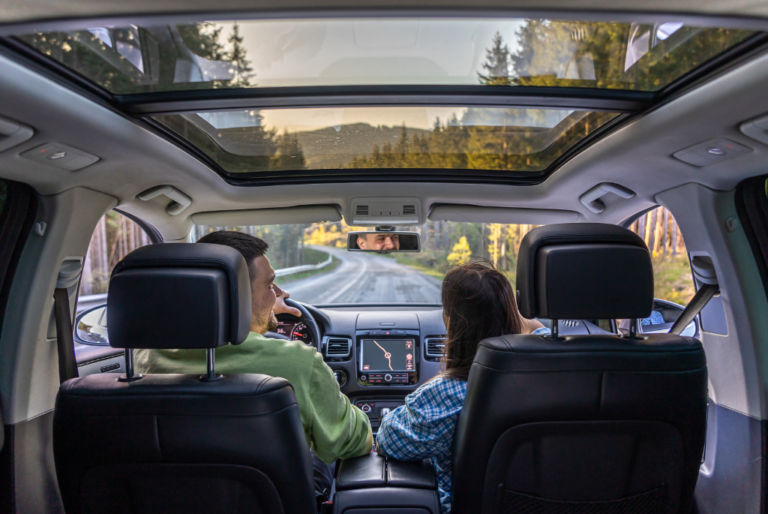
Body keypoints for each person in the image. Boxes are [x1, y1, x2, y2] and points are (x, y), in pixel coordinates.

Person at [134, 231, 373, 501]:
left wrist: (262, 309)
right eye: (270, 285)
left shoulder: (143, 359)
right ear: (237, 297)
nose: (281, 293)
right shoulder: (297, 362)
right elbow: (352, 443)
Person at [376, 261, 551, 514]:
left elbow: (388, 441)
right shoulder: (552, 369)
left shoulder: (447, 393)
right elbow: (538, 329)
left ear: (453, 323)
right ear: (512, 313)